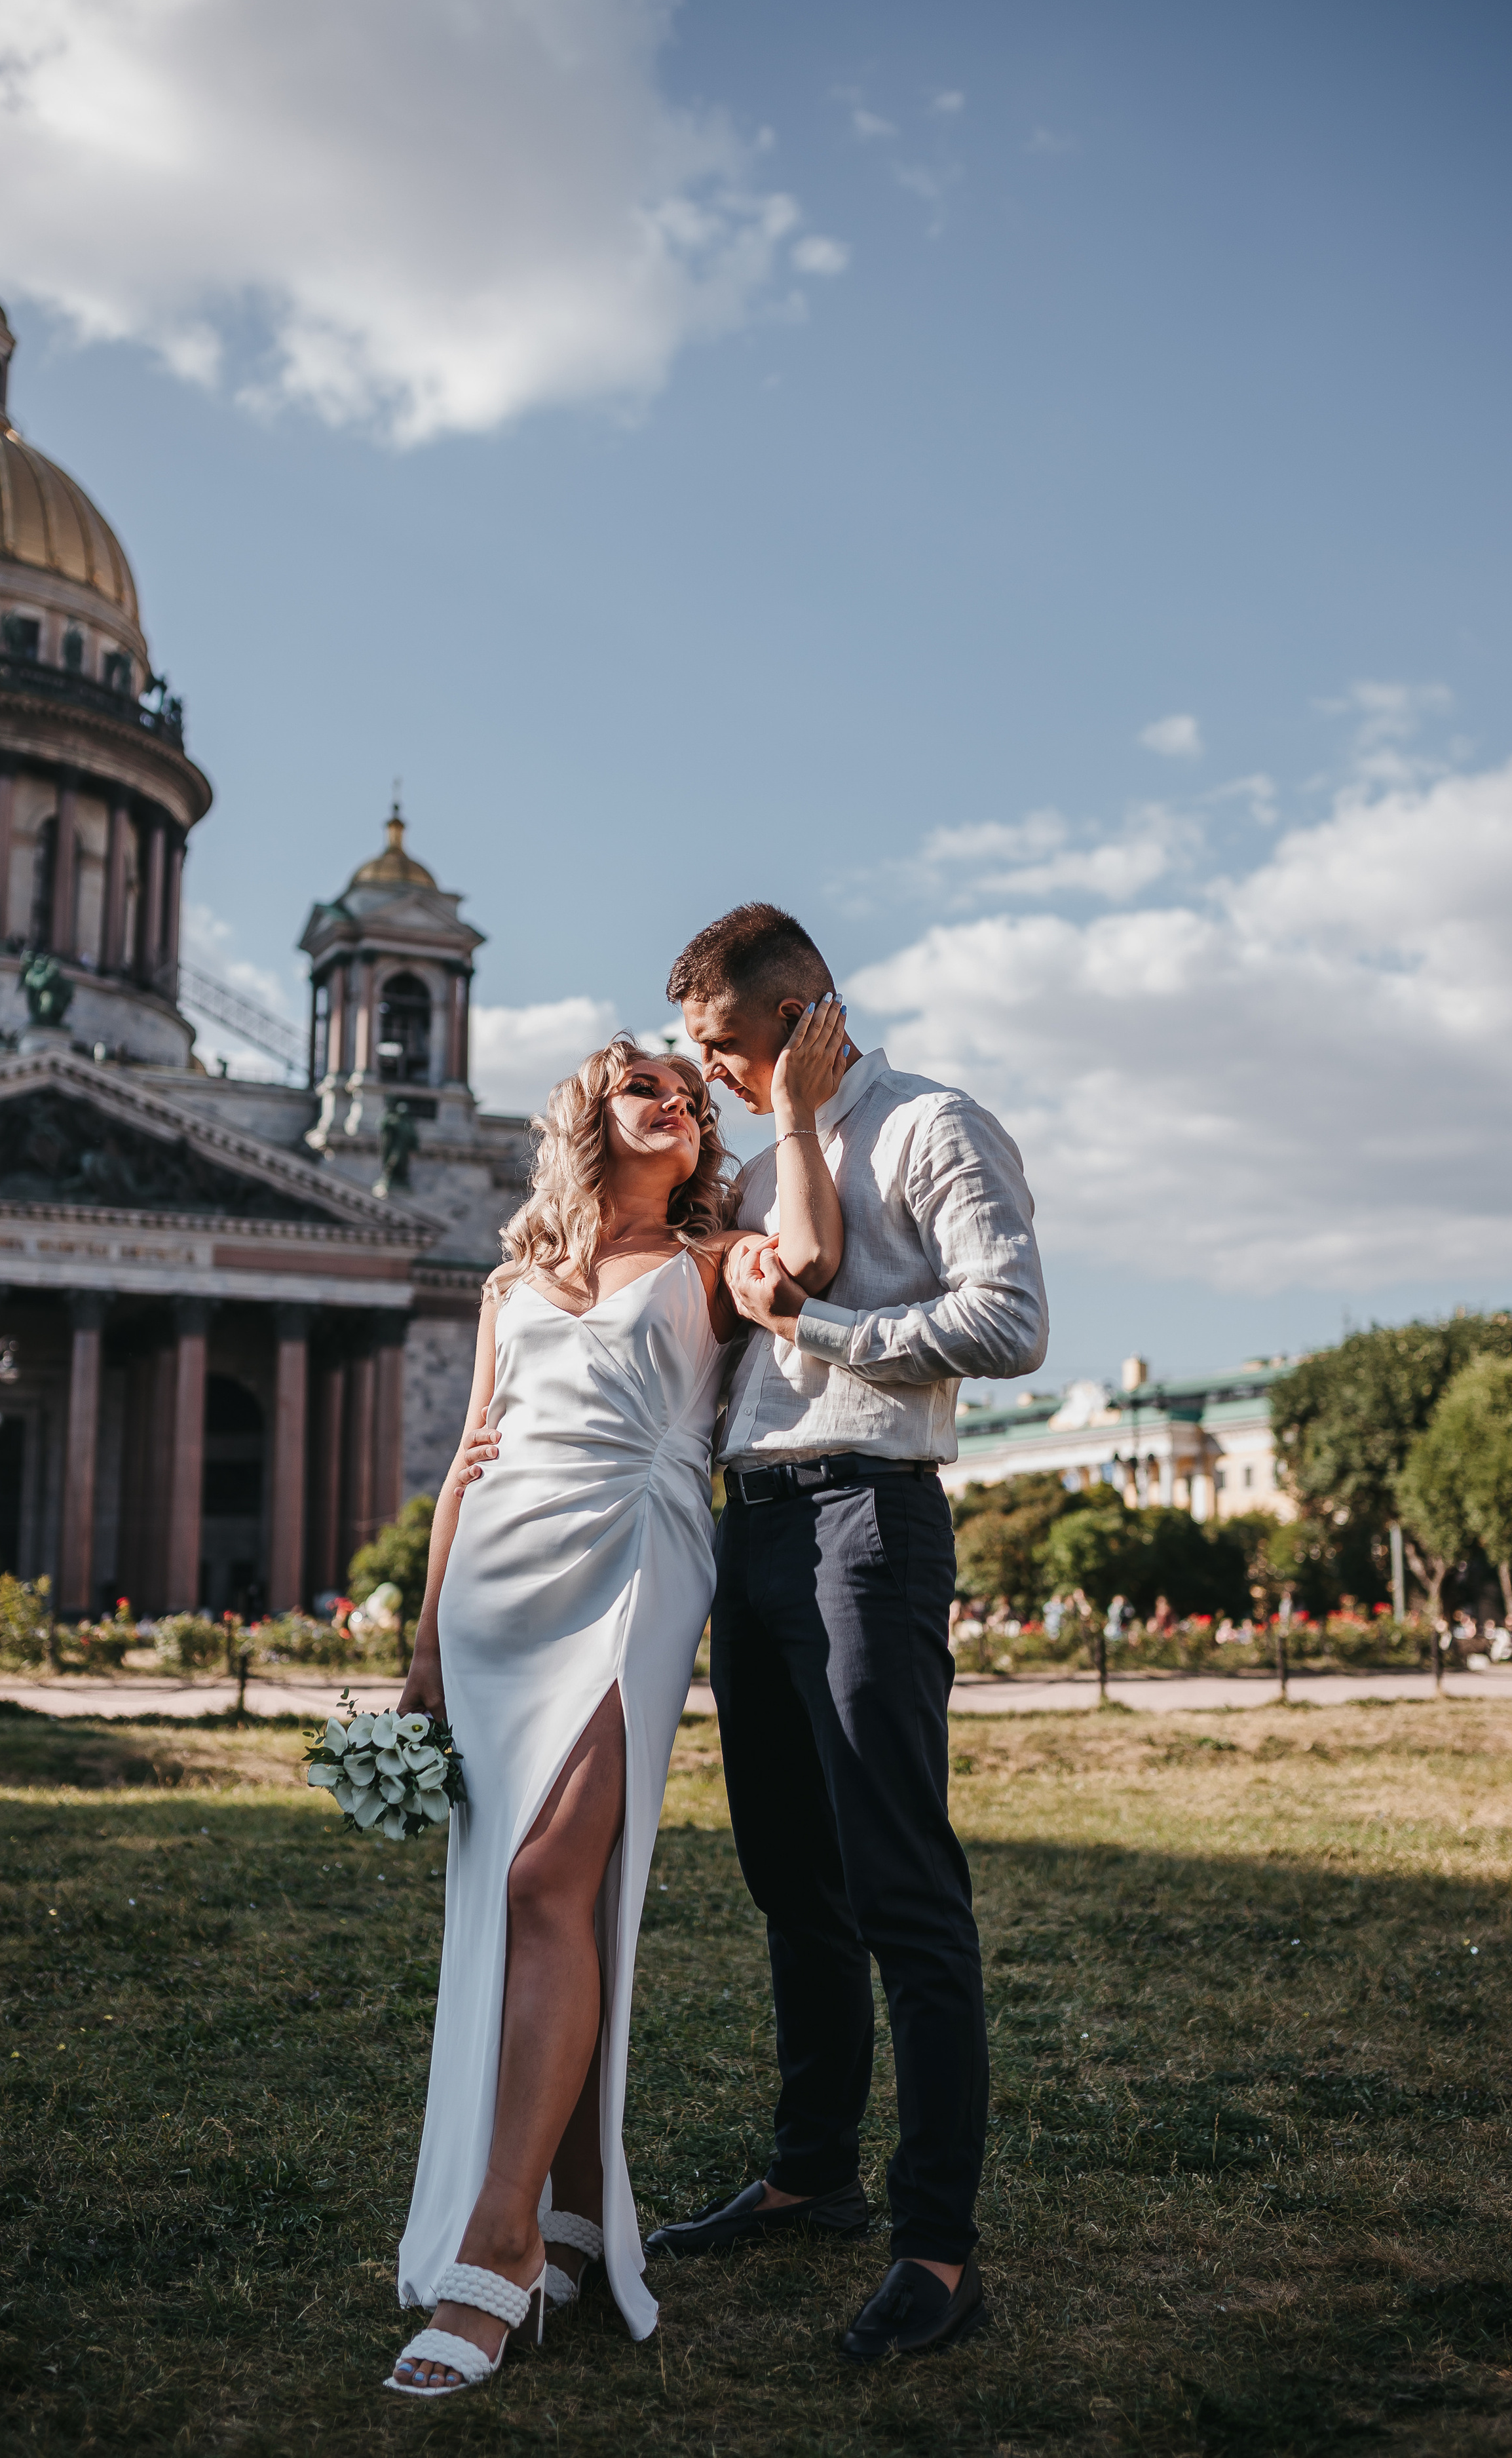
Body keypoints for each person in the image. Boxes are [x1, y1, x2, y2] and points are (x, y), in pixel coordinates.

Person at [385, 1008, 850, 2396]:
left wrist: (805, 1121)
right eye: (636, 1085)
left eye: (688, 1097)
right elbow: (467, 1465)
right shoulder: (508, 1279)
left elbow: (813, 1260)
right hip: (493, 1604)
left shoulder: (716, 1260)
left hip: (639, 1569)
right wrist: (420, 1653)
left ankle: (497, 2245)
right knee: (541, 1901)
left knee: (547, 1880)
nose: (671, 1103)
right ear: (590, 1113)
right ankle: (574, 2214)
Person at [649, 902, 1048, 2363]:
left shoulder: (933, 1125)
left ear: (804, 1013)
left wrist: (821, 1337)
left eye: (724, 1045)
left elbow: (1009, 1322)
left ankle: (937, 2251)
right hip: (749, 1526)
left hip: (865, 1518)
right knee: (785, 1874)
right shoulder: (758, 1160)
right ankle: (809, 2173)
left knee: (897, 1884)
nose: (711, 1072)